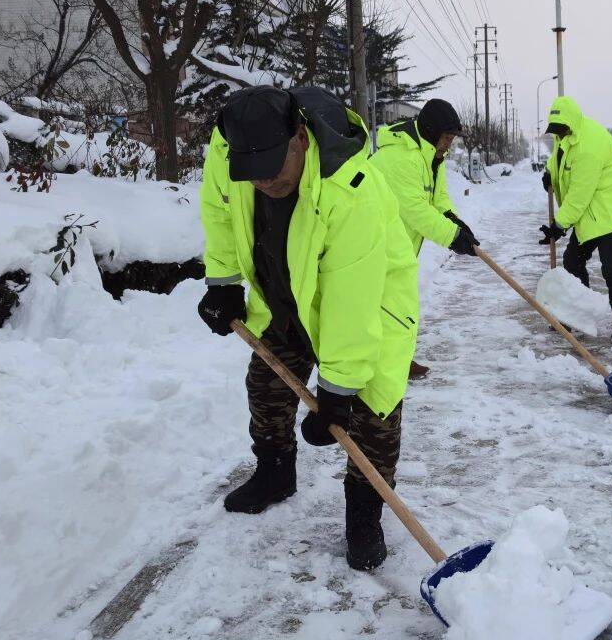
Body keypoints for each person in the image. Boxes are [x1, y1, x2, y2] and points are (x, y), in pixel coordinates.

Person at [196, 85, 418, 571]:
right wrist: (223, 281)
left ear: (300, 138)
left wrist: (337, 390)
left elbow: (350, 299)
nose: (263, 183)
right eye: (250, 175)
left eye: (273, 170)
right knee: (266, 385)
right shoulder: (228, 152)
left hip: (369, 298)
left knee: (372, 415)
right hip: (286, 292)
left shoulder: (349, 187)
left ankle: (365, 518)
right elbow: (218, 210)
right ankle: (275, 473)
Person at [371, 99, 479, 379]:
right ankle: (383, 366)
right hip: (375, 243)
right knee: (387, 307)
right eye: (447, 137)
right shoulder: (400, 158)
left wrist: (454, 220)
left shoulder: (430, 155)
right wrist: (452, 236)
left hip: (399, 244)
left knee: (398, 306)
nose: (449, 144)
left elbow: (437, 198)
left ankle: (398, 360)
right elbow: (415, 209)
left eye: (452, 138)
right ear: (431, 132)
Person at [539, 96, 612, 345]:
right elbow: (559, 157)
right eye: (555, 131)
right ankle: (578, 312)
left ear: (571, 123)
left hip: (608, 210)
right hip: (589, 211)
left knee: (611, 266)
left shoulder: (589, 146)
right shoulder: (566, 134)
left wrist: (559, 226)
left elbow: (579, 194)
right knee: (573, 260)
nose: (558, 135)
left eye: (561, 130)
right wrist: (549, 172)